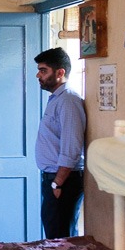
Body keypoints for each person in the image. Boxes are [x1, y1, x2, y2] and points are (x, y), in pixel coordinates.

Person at [34, 47, 85, 239]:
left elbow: (72, 147)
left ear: (60, 72)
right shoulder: (57, 99)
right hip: (54, 178)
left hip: (64, 180)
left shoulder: (68, 100)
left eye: (43, 70)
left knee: (61, 240)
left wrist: (57, 183)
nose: (38, 75)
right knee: (54, 235)